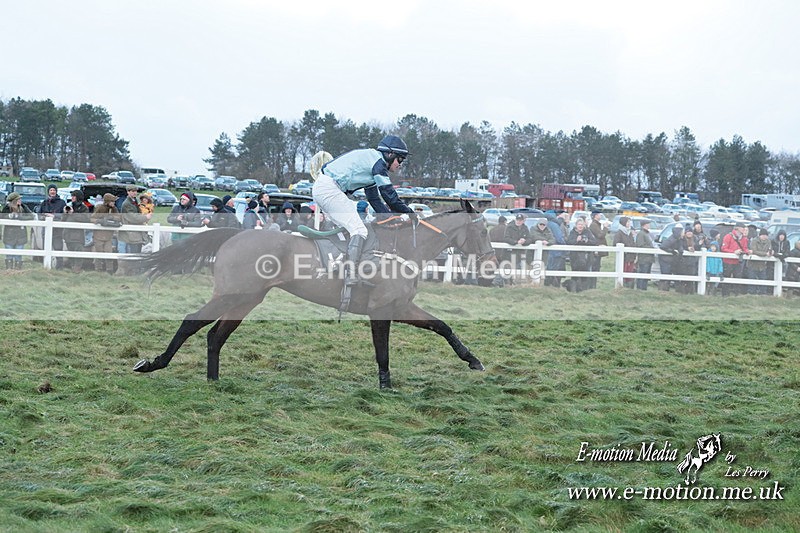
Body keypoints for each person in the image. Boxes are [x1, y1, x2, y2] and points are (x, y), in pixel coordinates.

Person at [312, 135, 413, 287]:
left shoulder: (373, 163)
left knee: (355, 227)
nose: (400, 165)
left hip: (327, 188)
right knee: (359, 230)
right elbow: (390, 196)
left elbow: (374, 199)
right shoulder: (378, 164)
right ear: (390, 154)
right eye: (400, 160)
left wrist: (390, 218)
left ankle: (337, 264)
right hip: (329, 189)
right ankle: (350, 274)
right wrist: (409, 213)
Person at [1, 192, 33, 269]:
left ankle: (18, 268)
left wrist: (20, 217)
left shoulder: (23, 207)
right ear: (14, 200)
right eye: (18, 199)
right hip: (9, 234)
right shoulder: (6, 208)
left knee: (19, 252)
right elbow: (2, 217)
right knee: (9, 252)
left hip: (20, 234)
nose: (20, 200)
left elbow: (31, 216)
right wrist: (9, 216)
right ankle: (9, 268)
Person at [566, 217, 597, 292]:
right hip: (575, 257)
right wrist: (576, 240)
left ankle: (583, 290)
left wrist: (586, 241)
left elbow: (594, 242)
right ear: (576, 225)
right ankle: (574, 290)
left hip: (586, 256)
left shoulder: (587, 232)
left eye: (582, 224)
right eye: (579, 224)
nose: (580, 226)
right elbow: (569, 242)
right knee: (575, 273)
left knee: (585, 273)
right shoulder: (572, 232)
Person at [39, 183, 67, 268]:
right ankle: (46, 266)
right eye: (51, 190)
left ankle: (59, 268)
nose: (52, 192)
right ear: (48, 192)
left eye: (54, 190)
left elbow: (65, 215)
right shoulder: (44, 202)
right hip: (46, 230)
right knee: (46, 249)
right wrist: (45, 216)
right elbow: (39, 215)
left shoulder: (62, 203)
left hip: (57, 230)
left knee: (58, 248)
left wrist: (54, 216)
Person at [62, 190, 91, 272]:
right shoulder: (69, 206)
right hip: (68, 234)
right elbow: (62, 220)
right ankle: (72, 267)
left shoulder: (84, 208)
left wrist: (73, 213)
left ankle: (77, 268)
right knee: (70, 251)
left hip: (78, 235)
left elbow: (85, 219)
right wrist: (65, 213)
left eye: (74, 196)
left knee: (78, 251)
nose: (72, 198)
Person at [91, 193, 120, 273]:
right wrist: (99, 221)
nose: (113, 203)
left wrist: (112, 218)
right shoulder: (100, 208)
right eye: (112, 201)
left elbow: (119, 218)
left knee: (109, 253)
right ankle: (98, 270)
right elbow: (92, 218)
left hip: (109, 236)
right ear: (107, 201)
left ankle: (109, 270)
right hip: (98, 235)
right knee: (98, 253)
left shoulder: (114, 209)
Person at [119, 185, 152, 253]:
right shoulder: (127, 203)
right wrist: (145, 217)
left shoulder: (134, 201)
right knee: (133, 251)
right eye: (132, 191)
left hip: (136, 230)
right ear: (128, 192)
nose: (135, 193)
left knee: (138, 249)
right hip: (131, 231)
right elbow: (132, 217)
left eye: (136, 191)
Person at [720, 222, 750, 296]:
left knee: (738, 278)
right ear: (738, 228)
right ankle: (725, 295)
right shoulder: (728, 236)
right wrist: (733, 252)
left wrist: (747, 251)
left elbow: (745, 248)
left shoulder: (744, 239)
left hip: (738, 262)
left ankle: (736, 294)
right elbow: (723, 248)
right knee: (726, 277)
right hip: (728, 261)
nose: (744, 229)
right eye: (742, 228)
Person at [613, 216, 636, 289]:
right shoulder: (619, 233)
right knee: (623, 271)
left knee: (630, 272)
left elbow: (633, 243)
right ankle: (623, 287)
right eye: (628, 222)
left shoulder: (630, 233)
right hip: (624, 257)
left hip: (631, 257)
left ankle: (629, 288)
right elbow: (615, 244)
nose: (629, 224)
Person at [658, 226, 684, 291]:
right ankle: (663, 290)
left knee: (670, 276)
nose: (683, 233)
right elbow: (663, 246)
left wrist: (680, 250)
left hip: (671, 260)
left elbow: (680, 246)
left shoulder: (678, 239)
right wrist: (672, 251)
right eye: (682, 232)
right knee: (665, 276)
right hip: (665, 260)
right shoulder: (671, 239)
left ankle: (667, 290)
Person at [748, 228, 773, 295]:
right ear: (760, 235)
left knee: (763, 279)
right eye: (763, 235)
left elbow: (770, 249)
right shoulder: (754, 241)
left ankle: (762, 293)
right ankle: (751, 293)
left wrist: (771, 252)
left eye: (766, 235)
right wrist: (765, 254)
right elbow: (754, 251)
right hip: (753, 264)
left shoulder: (768, 242)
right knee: (752, 279)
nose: (765, 237)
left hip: (762, 265)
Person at [588, 211, 609, 289]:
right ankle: (592, 287)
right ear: (595, 216)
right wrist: (605, 228)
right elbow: (600, 235)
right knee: (595, 267)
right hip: (596, 250)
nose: (600, 215)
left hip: (597, 249)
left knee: (596, 267)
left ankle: (593, 286)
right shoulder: (594, 225)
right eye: (599, 214)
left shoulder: (596, 224)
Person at [634, 219, 656, 290]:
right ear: (644, 225)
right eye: (648, 223)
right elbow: (640, 245)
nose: (649, 225)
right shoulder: (641, 234)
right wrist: (651, 248)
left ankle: (644, 288)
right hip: (644, 258)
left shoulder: (647, 233)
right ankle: (640, 289)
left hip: (649, 258)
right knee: (643, 273)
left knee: (646, 274)